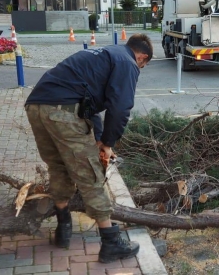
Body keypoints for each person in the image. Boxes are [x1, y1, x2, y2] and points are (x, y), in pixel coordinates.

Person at [24, 34, 152, 263]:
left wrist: (102, 140)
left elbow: (90, 109)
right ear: (142, 57)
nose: (140, 69)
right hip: (61, 111)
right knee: (89, 173)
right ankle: (111, 242)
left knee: (58, 167)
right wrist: (110, 144)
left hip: (36, 106)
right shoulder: (127, 63)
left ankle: (63, 229)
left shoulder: (104, 55)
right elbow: (120, 107)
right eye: (143, 65)